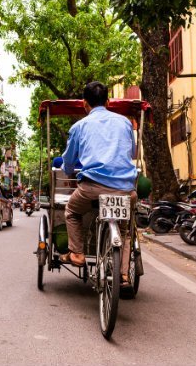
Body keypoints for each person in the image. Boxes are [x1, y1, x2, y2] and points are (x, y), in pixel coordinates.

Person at [60, 81, 138, 286]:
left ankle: (77, 253)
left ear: (84, 104)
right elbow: (133, 153)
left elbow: (69, 162)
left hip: (91, 189)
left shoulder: (79, 126)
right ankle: (123, 274)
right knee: (125, 230)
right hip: (125, 190)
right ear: (108, 102)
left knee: (72, 212)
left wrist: (68, 170)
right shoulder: (125, 122)